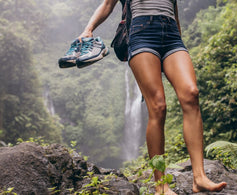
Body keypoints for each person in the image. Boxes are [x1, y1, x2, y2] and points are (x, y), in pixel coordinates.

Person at [78, 0, 227, 194]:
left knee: (191, 94)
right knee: (158, 106)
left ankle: (199, 178)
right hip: (142, 34)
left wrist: (177, 41)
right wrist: (88, 29)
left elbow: (173, 8)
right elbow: (107, 4)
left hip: (172, 35)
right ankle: (161, 186)